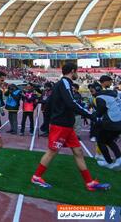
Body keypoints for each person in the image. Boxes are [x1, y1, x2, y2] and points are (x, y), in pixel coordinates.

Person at [31, 63, 110, 191]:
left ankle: (89, 183)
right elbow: (71, 103)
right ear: (72, 71)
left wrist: (47, 122)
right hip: (61, 125)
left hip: (66, 125)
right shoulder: (65, 83)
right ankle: (36, 177)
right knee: (52, 152)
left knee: (78, 151)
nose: (77, 74)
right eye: (76, 72)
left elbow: (50, 103)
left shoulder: (60, 84)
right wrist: (91, 115)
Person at [95, 75, 121, 170]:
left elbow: (100, 111)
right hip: (119, 121)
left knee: (100, 141)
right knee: (109, 140)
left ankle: (108, 162)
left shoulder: (100, 97)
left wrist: (93, 115)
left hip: (111, 122)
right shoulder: (115, 93)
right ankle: (119, 159)